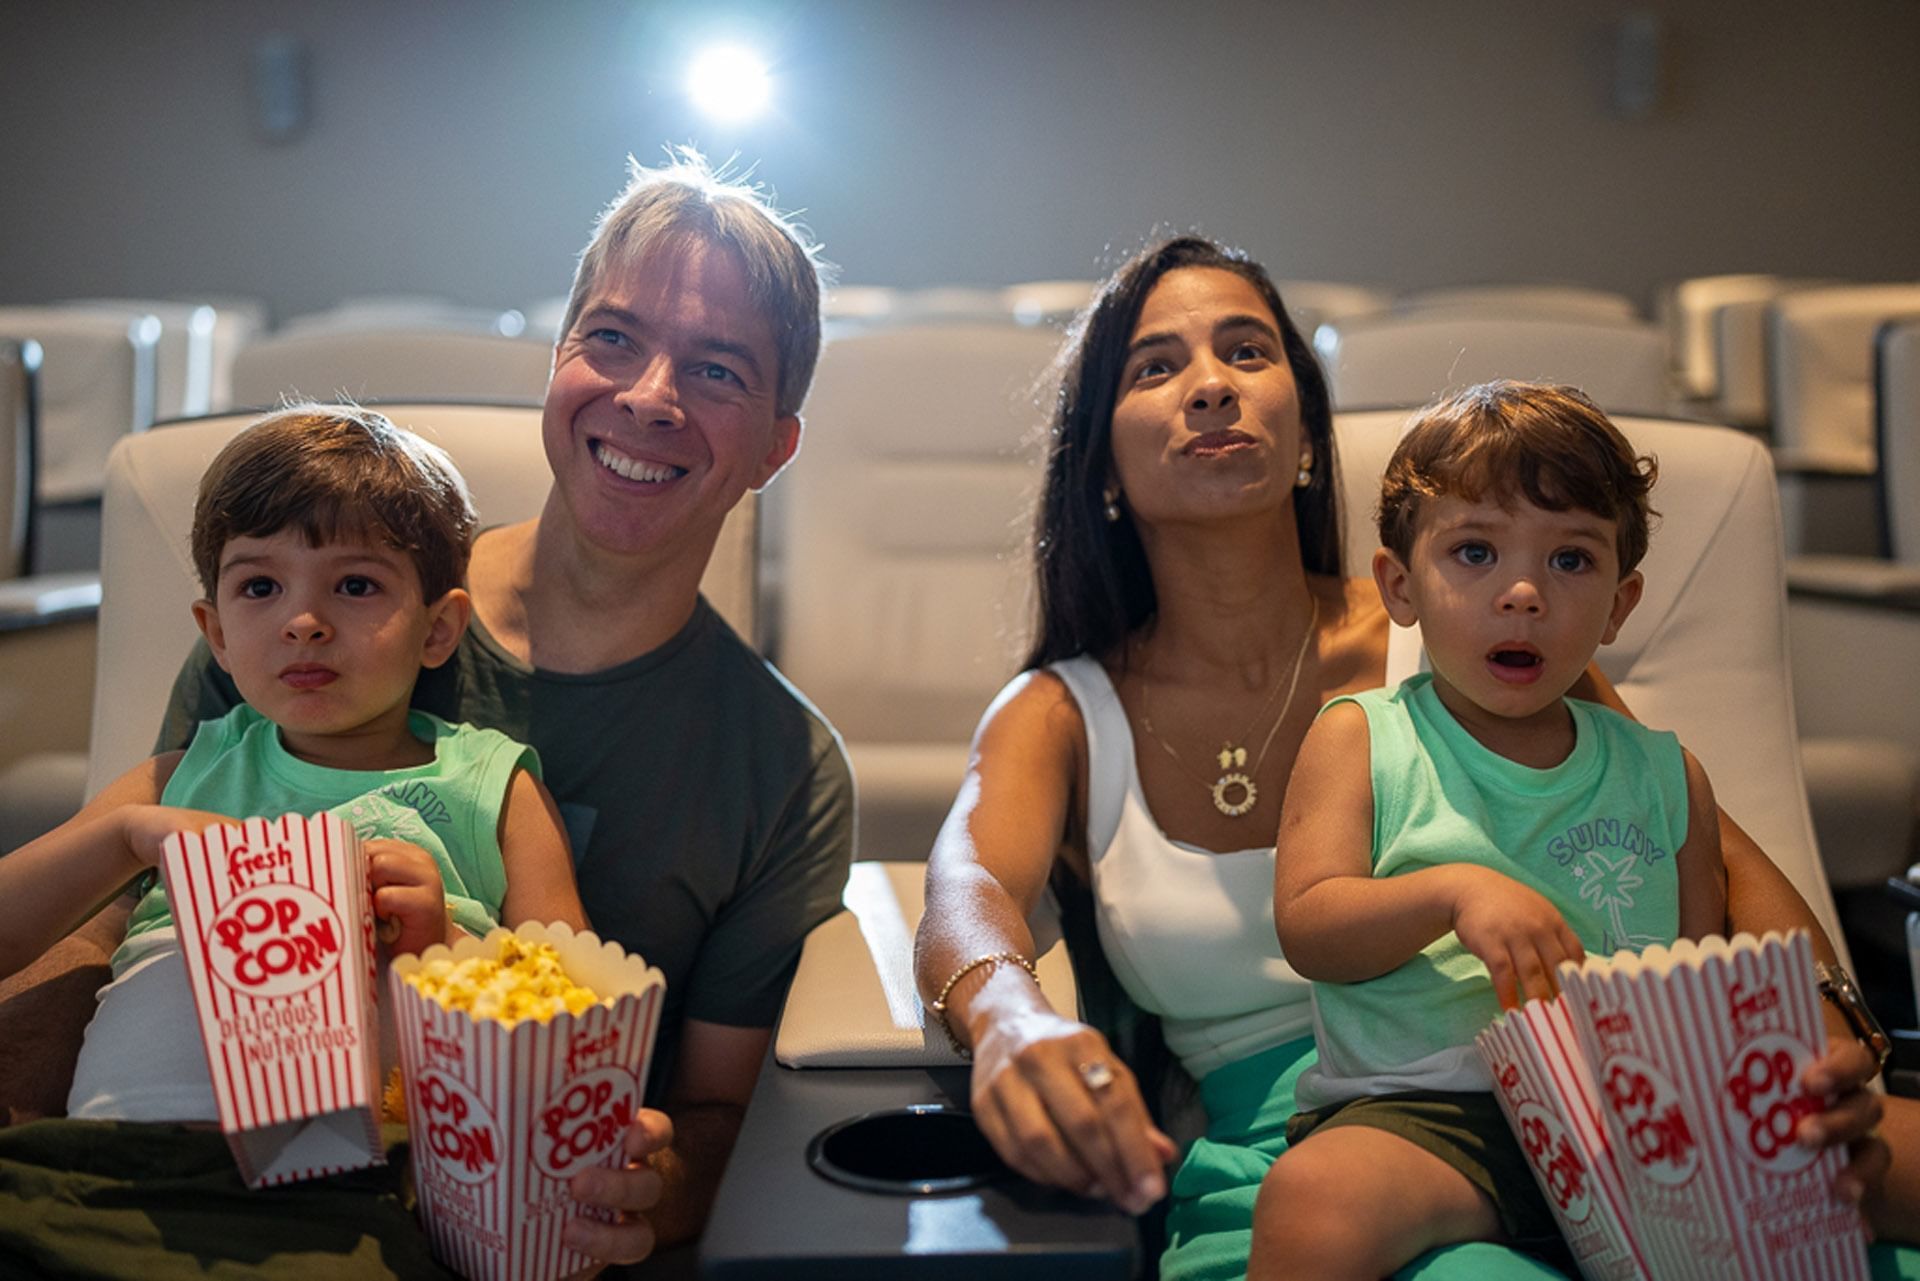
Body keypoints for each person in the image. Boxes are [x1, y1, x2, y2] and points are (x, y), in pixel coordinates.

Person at [912, 235, 1917, 1281]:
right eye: (1155, 367)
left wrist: (1829, 1033)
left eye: (1247, 352)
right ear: (1101, 463)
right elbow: (965, 887)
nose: (1210, 385)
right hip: (1325, 1159)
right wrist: (1010, 1021)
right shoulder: (1061, 708)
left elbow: (1710, 853)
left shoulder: (1472, 621)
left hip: (1610, 1096)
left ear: (1307, 429)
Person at [10, 150, 855, 1271]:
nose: (649, 395)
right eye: (612, 337)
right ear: (558, 362)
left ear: (775, 447)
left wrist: (654, 1180)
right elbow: (105, 922)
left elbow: (714, 1110)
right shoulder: (309, 611)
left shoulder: (785, 770)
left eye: (716, 369)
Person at [0, 404, 588, 1275]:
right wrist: (125, 836)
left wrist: (442, 950)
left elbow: (574, 1021)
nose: (303, 620)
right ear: (216, 634)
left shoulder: (490, 785)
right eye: (259, 588)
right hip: (109, 1168)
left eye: (355, 586)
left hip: (352, 1193)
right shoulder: (179, 776)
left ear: (438, 628)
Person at [1255, 382, 1726, 1277]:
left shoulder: (1669, 776)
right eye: (1474, 551)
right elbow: (1309, 928)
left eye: (1571, 560)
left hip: (1630, 1122)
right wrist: (1452, 892)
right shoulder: (1362, 737)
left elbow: (1701, 988)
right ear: (1400, 586)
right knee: (1314, 1198)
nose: (1523, 593)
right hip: (1426, 1117)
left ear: (1620, 605)